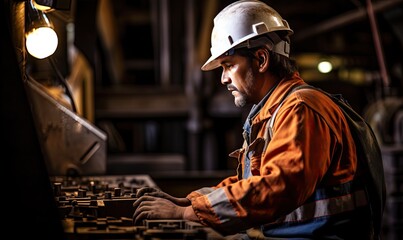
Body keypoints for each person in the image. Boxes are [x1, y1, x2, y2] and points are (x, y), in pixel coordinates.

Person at [132, 0, 384, 239]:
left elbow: (279, 187)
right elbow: (252, 183)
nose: (223, 78)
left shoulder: (301, 109)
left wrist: (187, 214)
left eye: (228, 65)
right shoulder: (274, 111)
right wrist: (193, 201)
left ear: (261, 59)